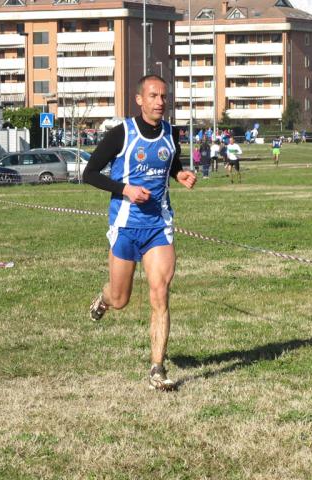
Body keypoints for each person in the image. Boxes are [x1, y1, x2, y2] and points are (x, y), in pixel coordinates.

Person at [81, 75, 197, 391]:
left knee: (160, 293)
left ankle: (157, 368)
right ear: (139, 100)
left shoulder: (172, 133)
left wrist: (180, 174)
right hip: (125, 226)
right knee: (121, 298)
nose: (160, 102)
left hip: (159, 226)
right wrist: (125, 189)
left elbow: (172, 163)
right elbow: (88, 173)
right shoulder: (122, 134)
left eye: (163, 96)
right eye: (153, 96)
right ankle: (103, 300)